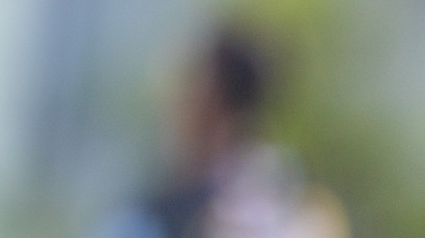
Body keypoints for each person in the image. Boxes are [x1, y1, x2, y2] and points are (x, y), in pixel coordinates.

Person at [97, 26, 348, 238]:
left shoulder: (257, 208)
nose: (168, 101)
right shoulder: (164, 201)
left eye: (185, 85)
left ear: (212, 99)